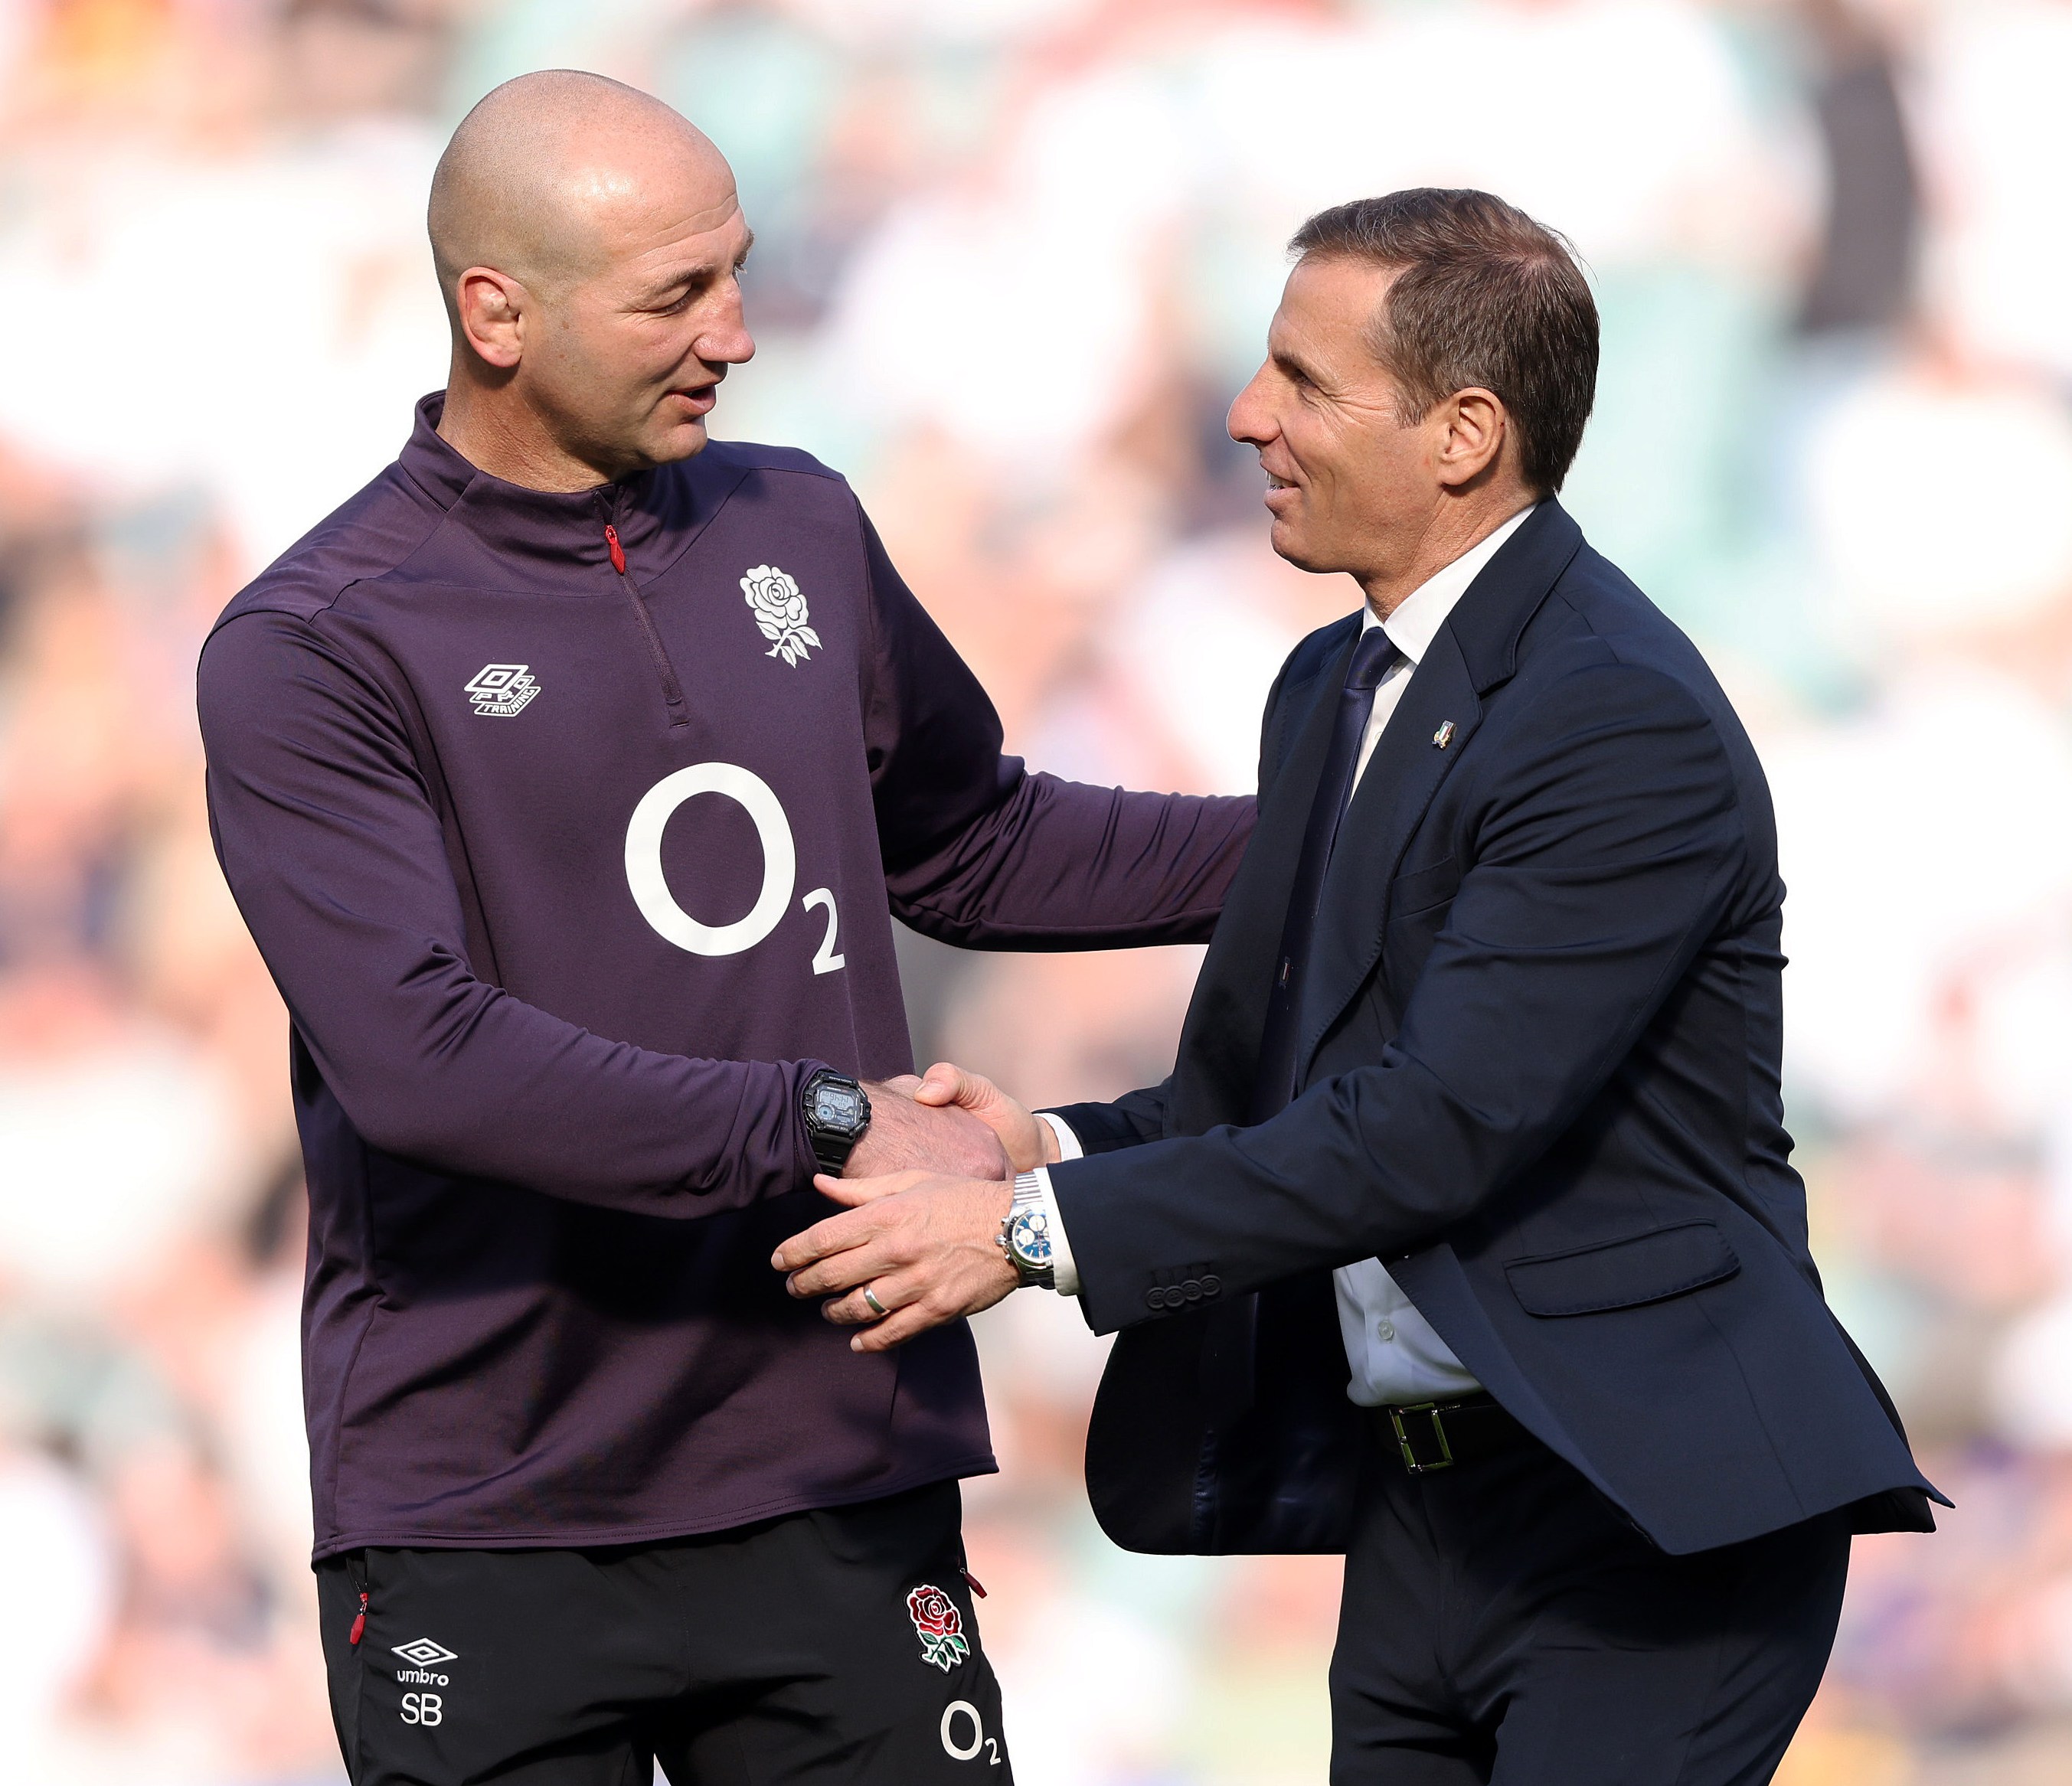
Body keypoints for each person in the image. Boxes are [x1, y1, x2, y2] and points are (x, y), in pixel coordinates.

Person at [775, 187, 1946, 1784]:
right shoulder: (1335, 678)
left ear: (1463, 435)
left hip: (1645, 1513)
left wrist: (1029, 1238)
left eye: (1305, 382)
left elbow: (1428, 1130)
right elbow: (1283, 1090)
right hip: (1420, 1514)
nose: (1246, 415)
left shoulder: (1615, 716)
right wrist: (1041, 1148)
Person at [196, 70, 1253, 1786]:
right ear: (497, 313)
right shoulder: (317, 644)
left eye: (737, 272)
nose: (736, 335)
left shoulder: (798, 520)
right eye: (675, 295)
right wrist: (832, 1120)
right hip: (493, 1502)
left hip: (834, 1458)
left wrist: (1347, 839)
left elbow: (972, 838)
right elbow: (422, 1061)